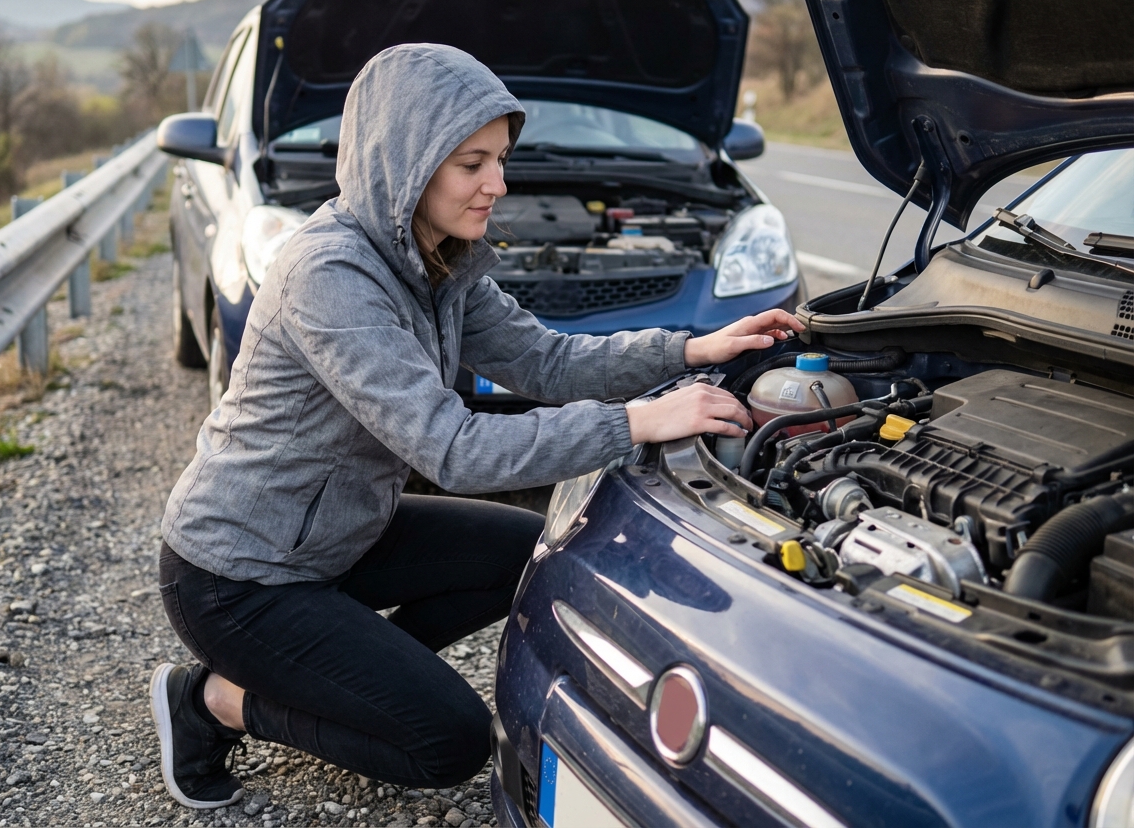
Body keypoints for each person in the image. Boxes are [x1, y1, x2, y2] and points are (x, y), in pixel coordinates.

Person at [150, 43, 804, 809]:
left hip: (340, 537)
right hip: (238, 576)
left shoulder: (439, 259)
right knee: (448, 741)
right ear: (407, 161)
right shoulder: (330, 275)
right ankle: (208, 702)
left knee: (531, 551)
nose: (498, 183)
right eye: (472, 163)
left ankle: (341, 677)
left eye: (500, 158)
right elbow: (451, 449)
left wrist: (691, 348)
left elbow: (548, 362)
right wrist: (638, 422)